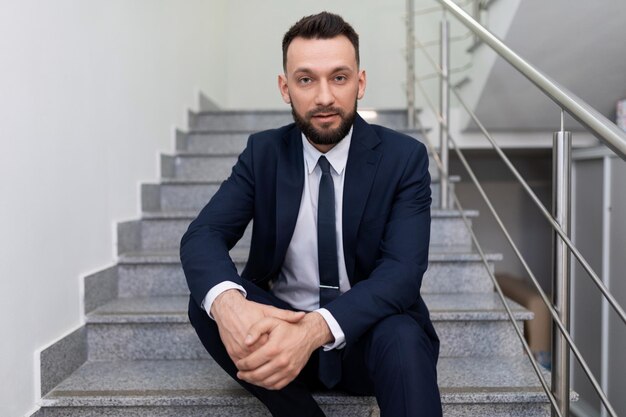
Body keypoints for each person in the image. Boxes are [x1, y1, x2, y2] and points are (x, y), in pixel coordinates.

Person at [181, 11, 442, 417]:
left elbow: (402, 274)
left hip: (364, 339)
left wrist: (315, 329)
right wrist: (232, 306)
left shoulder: (403, 158)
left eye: (339, 77)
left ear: (361, 83)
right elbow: (203, 235)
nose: (324, 97)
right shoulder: (263, 153)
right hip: (280, 344)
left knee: (404, 335)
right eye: (306, 80)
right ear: (285, 88)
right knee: (209, 300)